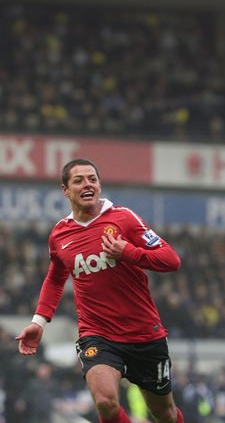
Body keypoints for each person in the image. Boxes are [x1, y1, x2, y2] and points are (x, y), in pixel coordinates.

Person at [16, 158, 185, 423]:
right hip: (98, 335)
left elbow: (171, 259)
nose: (87, 185)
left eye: (92, 179)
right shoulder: (60, 234)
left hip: (144, 333)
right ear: (65, 190)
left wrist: (128, 252)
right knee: (106, 402)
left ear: (100, 184)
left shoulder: (123, 218)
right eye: (79, 180)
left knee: (165, 414)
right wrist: (39, 321)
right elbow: (55, 277)